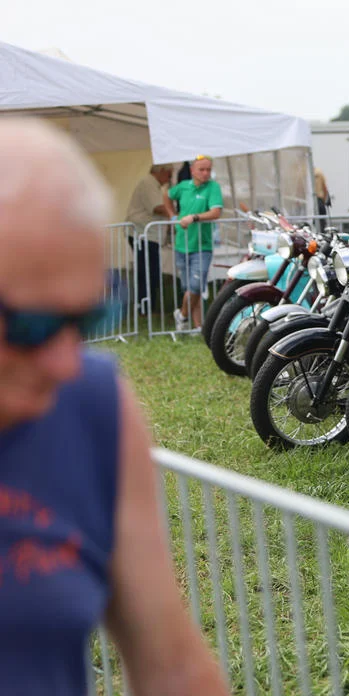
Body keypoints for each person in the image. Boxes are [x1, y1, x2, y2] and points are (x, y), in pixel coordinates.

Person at [0, 119, 228, 695]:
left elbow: (170, 667)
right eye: (30, 325)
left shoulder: (89, 401)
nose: (65, 362)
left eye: (86, 319)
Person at [163, 155, 222, 331]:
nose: (205, 173)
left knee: (196, 286)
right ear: (192, 171)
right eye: (202, 169)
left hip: (202, 246)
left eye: (208, 170)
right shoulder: (183, 187)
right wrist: (172, 215)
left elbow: (216, 212)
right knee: (189, 288)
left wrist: (194, 217)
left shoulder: (213, 187)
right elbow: (166, 195)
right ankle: (196, 325)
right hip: (182, 244)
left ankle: (182, 315)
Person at [125, 164, 173, 310]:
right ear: (162, 170)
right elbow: (157, 207)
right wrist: (175, 216)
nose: (170, 177)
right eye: (169, 173)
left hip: (147, 235)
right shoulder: (148, 182)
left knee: (150, 270)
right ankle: (145, 306)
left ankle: (149, 305)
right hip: (142, 234)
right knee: (146, 271)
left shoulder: (153, 184)